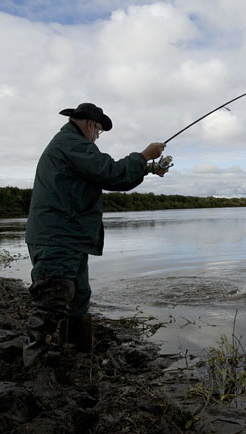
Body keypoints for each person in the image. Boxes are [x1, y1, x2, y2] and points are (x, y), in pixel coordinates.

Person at [23, 102, 168, 367]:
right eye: (99, 130)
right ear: (90, 124)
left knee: (78, 297)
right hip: (57, 237)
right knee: (52, 299)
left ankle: (76, 355)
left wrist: (147, 169)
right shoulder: (71, 143)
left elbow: (102, 175)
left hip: (70, 237)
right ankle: (35, 368)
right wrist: (144, 155)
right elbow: (110, 173)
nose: (97, 136)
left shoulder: (72, 145)